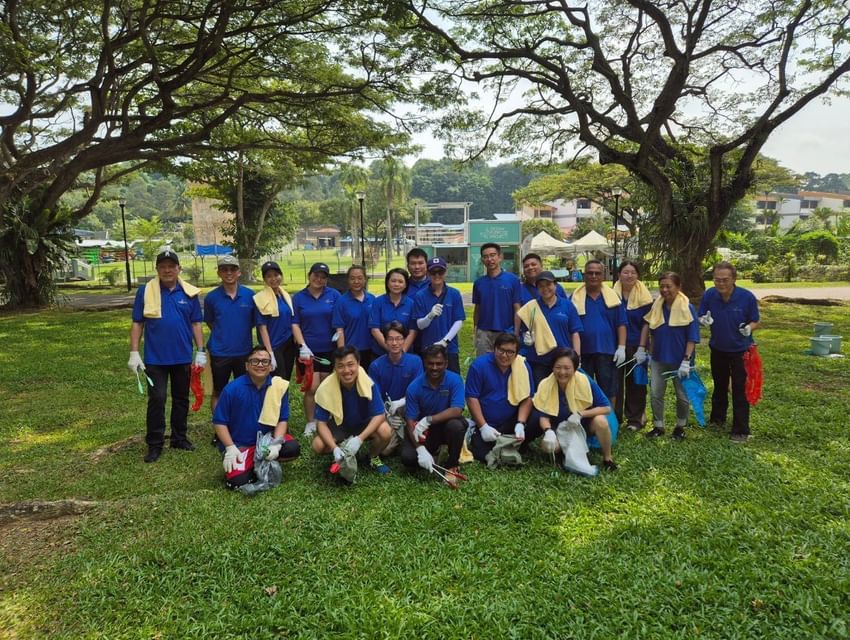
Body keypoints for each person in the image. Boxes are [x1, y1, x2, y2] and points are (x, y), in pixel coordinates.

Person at [129, 250, 206, 462]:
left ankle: (179, 438)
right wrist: (134, 352)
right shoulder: (145, 292)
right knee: (157, 399)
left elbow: (196, 323)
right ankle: (154, 443)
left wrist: (200, 350)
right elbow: (138, 323)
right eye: (163, 266)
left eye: (171, 266)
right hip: (155, 359)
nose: (167, 270)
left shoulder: (189, 292)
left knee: (181, 398)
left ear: (178, 268)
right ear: (157, 269)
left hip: (182, 357)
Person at [213, 347, 300, 486]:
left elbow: (282, 420)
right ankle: (252, 463)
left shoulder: (278, 387)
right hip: (239, 445)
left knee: (292, 448)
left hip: (265, 443)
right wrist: (230, 447)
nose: (260, 365)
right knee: (237, 482)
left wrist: (276, 444)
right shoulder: (232, 389)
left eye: (265, 361)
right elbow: (219, 422)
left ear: (271, 367)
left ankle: (263, 459)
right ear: (247, 366)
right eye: (255, 361)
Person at [697, 261, 760, 442]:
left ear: (734, 279)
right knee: (720, 385)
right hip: (718, 348)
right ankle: (717, 418)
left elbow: (755, 320)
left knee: (740, 389)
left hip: (741, 350)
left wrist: (749, 328)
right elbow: (701, 315)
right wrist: (704, 320)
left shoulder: (746, 297)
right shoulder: (710, 294)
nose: (721, 284)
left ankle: (740, 429)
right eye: (717, 280)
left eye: (725, 280)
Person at [636, 272, 700, 441]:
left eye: (668, 286)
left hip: (681, 361)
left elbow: (692, 337)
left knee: (682, 396)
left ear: (678, 287)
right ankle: (658, 426)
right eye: (661, 286)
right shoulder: (657, 307)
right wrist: (643, 350)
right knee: (656, 393)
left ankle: (680, 426)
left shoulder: (688, 308)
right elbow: (648, 328)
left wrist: (686, 360)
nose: (664, 290)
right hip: (658, 358)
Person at [311, 346, 394, 475]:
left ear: (358, 364)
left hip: (363, 423)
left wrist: (359, 439)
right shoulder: (326, 387)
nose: (346, 370)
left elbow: (379, 415)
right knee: (318, 445)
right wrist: (334, 448)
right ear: (335, 368)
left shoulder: (367, 383)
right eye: (341, 366)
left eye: (350, 365)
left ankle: (373, 457)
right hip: (340, 425)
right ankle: (340, 452)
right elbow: (320, 423)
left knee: (385, 431)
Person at [531, 348, 617, 471]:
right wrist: (548, 431)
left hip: (583, 425)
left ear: (575, 368)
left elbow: (606, 408)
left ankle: (607, 458)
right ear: (552, 367)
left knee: (601, 422)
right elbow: (544, 416)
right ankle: (561, 452)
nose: (562, 372)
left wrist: (580, 414)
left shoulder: (585, 381)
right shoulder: (546, 385)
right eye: (558, 367)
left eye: (567, 368)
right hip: (558, 429)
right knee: (548, 447)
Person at [465, 333, 537, 462]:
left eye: (510, 352)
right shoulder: (479, 366)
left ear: (516, 354)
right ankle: (508, 444)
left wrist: (520, 423)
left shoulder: (523, 366)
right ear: (494, 349)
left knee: (536, 418)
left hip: (512, 420)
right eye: (501, 350)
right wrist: (483, 426)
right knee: (481, 452)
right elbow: (472, 398)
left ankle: (515, 441)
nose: (505, 355)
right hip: (487, 422)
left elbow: (528, 397)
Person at [401, 344, 467, 477]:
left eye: (439, 364)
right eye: (431, 363)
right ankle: (434, 452)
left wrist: (429, 419)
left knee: (457, 426)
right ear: (425, 363)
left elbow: (457, 410)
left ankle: (452, 465)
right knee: (408, 459)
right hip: (424, 432)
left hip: (447, 425)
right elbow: (410, 421)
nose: (435, 368)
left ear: (446, 363)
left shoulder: (455, 380)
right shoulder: (414, 387)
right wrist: (420, 450)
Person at [204, 255, 259, 412]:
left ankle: (241, 425)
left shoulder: (250, 295)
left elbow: (254, 321)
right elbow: (210, 321)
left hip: (244, 352)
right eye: (224, 269)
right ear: (219, 273)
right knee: (219, 391)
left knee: (245, 390)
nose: (229, 273)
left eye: (232, 269)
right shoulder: (211, 297)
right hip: (220, 352)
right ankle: (219, 429)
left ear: (239, 272)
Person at [292, 262, 341, 437]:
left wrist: (338, 335)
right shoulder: (298, 298)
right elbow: (295, 324)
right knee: (312, 387)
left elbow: (339, 320)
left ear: (326, 279)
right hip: (308, 351)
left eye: (323, 276)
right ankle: (311, 422)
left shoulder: (334, 295)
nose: (318, 279)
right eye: (316, 275)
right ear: (309, 275)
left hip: (329, 349)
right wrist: (302, 345)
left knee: (327, 385)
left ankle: (325, 420)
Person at [570, 259, 627, 404]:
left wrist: (621, 347)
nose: (593, 276)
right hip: (583, 353)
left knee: (609, 390)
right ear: (584, 275)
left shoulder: (613, 298)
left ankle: (610, 423)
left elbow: (621, 324)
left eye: (597, 273)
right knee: (584, 390)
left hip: (607, 351)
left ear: (603, 276)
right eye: (590, 273)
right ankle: (588, 423)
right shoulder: (574, 299)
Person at [516, 270, 583, 385]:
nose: (545, 288)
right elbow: (521, 324)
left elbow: (575, 333)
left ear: (555, 285)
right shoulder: (531, 307)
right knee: (540, 395)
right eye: (541, 286)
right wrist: (524, 338)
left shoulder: (567, 305)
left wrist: (576, 357)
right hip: (539, 361)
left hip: (563, 359)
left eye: (548, 284)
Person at [367, 322, 424, 452]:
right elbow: (375, 397)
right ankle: (398, 435)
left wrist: (401, 402)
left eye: (399, 339)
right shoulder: (376, 366)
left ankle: (406, 435)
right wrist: (387, 416)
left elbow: (417, 392)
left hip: (410, 406)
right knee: (386, 451)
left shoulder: (415, 361)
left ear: (404, 340)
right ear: (385, 341)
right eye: (390, 339)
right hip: (388, 410)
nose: (394, 343)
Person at [612, 261, 654, 430]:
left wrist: (642, 348)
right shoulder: (610, 295)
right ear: (619, 275)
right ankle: (615, 417)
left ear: (638, 275)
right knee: (614, 382)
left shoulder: (645, 297)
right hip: (615, 345)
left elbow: (647, 323)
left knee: (637, 383)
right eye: (625, 272)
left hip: (638, 345)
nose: (629, 276)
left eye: (633, 273)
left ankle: (636, 419)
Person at [410, 256, 465, 372]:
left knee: (451, 381)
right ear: (428, 273)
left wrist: (445, 341)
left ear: (445, 272)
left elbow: (459, 321)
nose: (437, 275)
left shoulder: (454, 294)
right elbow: (419, 325)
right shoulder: (420, 296)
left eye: (440, 272)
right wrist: (429, 316)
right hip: (428, 348)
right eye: (433, 272)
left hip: (450, 348)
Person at [472, 243, 522, 356]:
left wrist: (516, 333)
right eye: (485, 256)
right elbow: (477, 309)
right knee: (484, 365)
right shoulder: (479, 283)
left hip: (505, 331)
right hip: (484, 333)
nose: (489, 259)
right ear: (482, 260)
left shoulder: (513, 280)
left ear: (500, 257)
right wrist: (475, 331)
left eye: (492, 255)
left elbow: (517, 308)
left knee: (505, 365)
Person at [255, 261, 296, 380]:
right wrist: (270, 353)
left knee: (286, 380)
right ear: (264, 279)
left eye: (276, 275)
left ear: (281, 276)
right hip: (274, 346)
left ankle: (285, 399)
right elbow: (262, 328)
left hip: (288, 344)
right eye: (269, 276)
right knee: (277, 381)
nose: (273, 279)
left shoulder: (285, 295)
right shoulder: (260, 299)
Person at [332, 265, 376, 369]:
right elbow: (339, 330)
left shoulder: (372, 299)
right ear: (348, 280)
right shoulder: (341, 302)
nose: (356, 281)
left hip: (372, 350)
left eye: (360, 278)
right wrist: (342, 354)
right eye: (352, 278)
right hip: (351, 351)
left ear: (365, 279)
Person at [369, 268, 415, 356]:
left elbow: (413, 331)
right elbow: (375, 330)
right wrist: (391, 350)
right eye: (393, 281)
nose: (396, 284)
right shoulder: (378, 302)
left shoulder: (411, 304)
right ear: (387, 283)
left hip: (405, 354)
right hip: (381, 353)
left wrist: (402, 352)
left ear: (406, 285)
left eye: (400, 281)